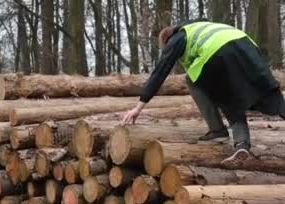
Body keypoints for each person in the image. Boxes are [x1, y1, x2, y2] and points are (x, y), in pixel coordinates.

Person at [122, 20, 285, 166]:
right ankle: (242, 144)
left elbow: (160, 71)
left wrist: (139, 106)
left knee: (214, 90)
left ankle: (219, 131)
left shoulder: (177, 38)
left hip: (217, 53)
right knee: (265, 88)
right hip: (246, 45)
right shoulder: (200, 26)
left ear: (167, 40)